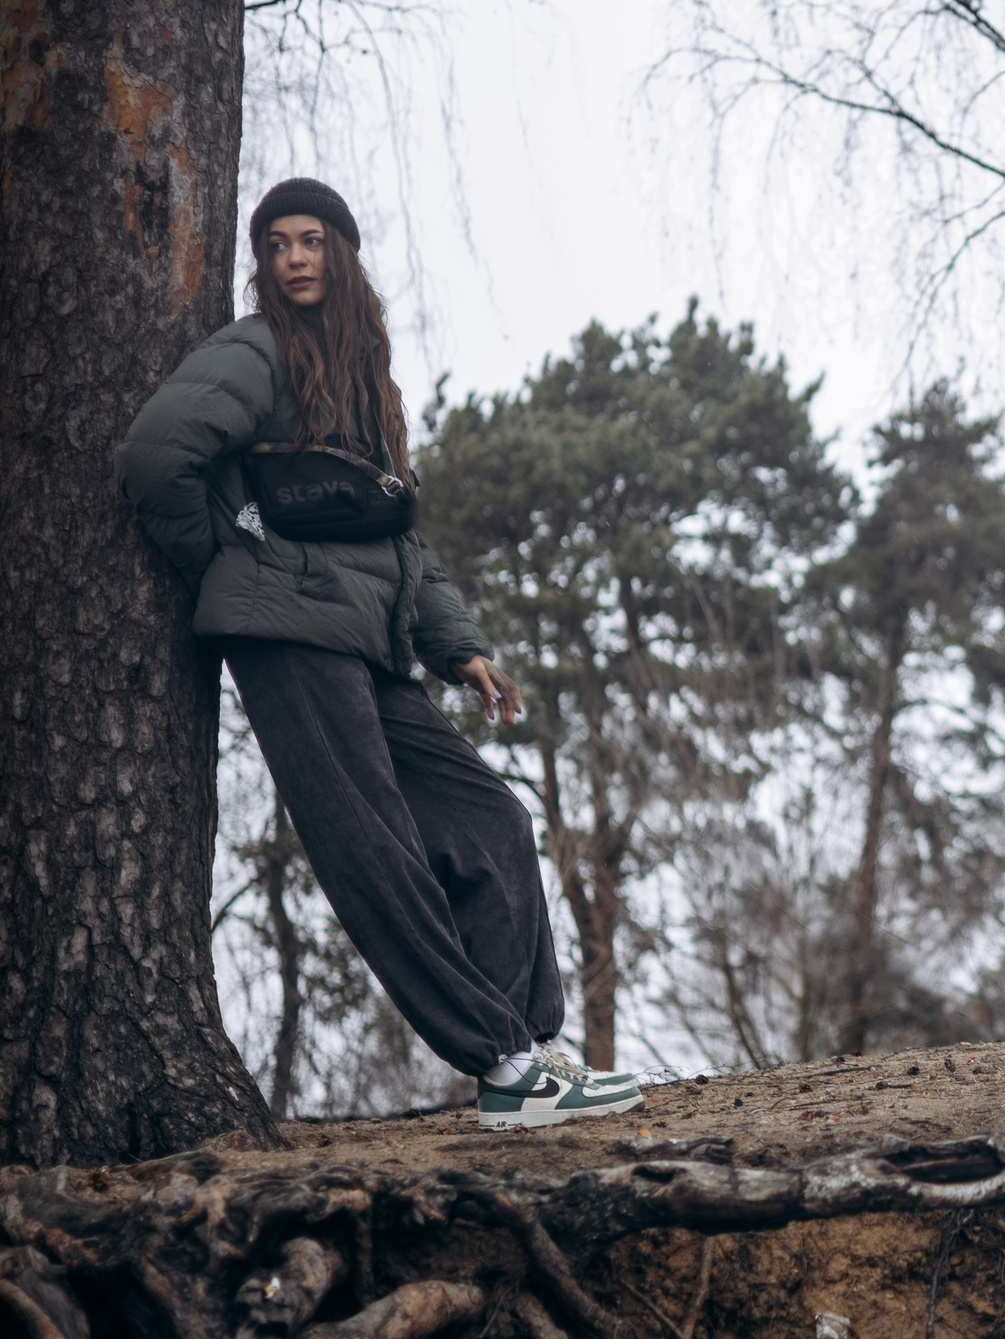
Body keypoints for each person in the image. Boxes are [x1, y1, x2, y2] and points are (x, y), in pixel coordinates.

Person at [117, 178, 643, 1130]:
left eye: (311, 240)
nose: (293, 259)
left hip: (371, 643)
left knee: (492, 817)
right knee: (379, 849)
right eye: (275, 245)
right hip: (288, 638)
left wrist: (461, 648)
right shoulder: (257, 348)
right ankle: (498, 1060)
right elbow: (154, 453)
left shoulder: (363, 374)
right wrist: (234, 561)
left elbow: (398, 536)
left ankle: (526, 1055)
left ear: (344, 251)